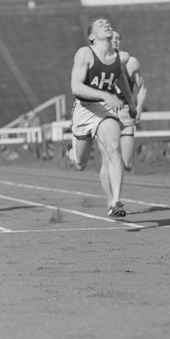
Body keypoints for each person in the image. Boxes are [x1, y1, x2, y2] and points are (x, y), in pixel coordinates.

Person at [68, 17, 136, 218]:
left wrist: (130, 102)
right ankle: (70, 153)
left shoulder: (119, 57)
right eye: (100, 24)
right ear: (91, 36)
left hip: (104, 110)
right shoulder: (85, 53)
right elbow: (75, 86)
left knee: (113, 148)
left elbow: (120, 77)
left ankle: (115, 203)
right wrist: (105, 94)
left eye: (107, 23)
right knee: (81, 163)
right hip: (84, 109)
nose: (106, 24)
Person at [110, 29, 146, 172]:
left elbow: (142, 88)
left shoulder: (131, 63)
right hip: (107, 112)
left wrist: (139, 109)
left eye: (118, 38)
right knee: (111, 158)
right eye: (111, 38)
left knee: (127, 164)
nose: (115, 40)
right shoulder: (96, 62)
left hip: (126, 112)